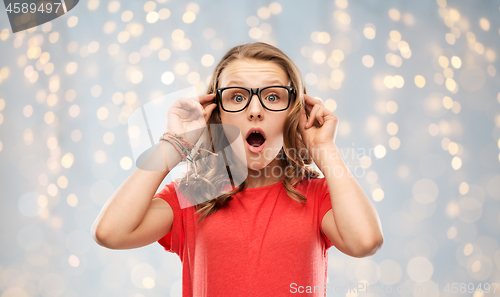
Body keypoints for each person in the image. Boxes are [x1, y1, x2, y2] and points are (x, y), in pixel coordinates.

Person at [91, 42, 384, 296]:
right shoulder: (193, 196)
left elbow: (365, 242)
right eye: (238, 97)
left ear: (293, 113)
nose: (255, 109)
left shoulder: (317, 197)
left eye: (272, 97)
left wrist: (324, 149)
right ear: (217, 113)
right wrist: (174, 144)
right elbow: (110, 233)